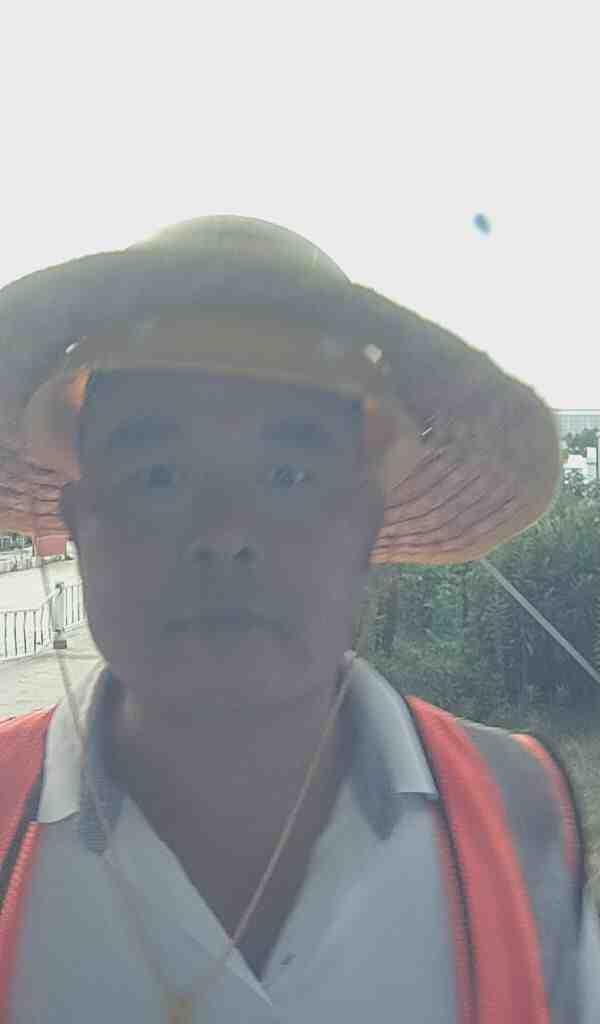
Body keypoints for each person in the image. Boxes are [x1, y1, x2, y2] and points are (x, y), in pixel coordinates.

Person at [0, 217, 598, 1023]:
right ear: (77, 522)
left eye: (288, 475)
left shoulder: (524, 816)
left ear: (365, 525)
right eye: (159, 475)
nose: (225, 533)